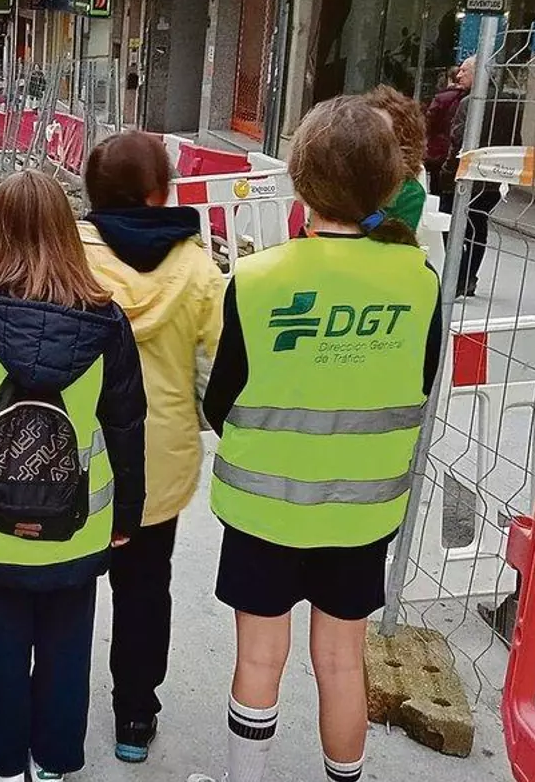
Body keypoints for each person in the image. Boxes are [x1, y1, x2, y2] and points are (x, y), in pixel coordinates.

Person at [189, 97, 442, 782]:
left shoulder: (258, 279)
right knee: (341, 661)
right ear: (389, 181)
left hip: (264, 507)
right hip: (362, 511)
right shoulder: (418, 281)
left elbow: (220, 399)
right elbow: (418, 384)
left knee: (259, 657)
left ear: (299, 179)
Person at [0, 170, 148, 782]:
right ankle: (53, 761)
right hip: (80, 524)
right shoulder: (107, 322)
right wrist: (127, 515)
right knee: (68, 647)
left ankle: (3, 761)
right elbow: (127, 428)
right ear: (67, 234)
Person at [77, 132, 225, 763]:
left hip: (77, 454)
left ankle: (52, 710)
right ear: (161, 192)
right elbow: (218, 368)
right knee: (144, 589)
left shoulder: (70, 257)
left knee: (68, 588)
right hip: (159, 460)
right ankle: (135, 717)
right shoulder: (198, 268)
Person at [424, 56, 504, 296]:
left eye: (464, 71)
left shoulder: (469, 104)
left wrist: (447, 174)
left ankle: (455, 277)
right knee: (478, 225)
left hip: (465, 177)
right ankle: (469, 277)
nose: (458, 75)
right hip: (495, 178)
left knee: (451, 224)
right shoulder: (508, 103)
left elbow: (457, 142)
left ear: (480, 73)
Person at [363, 85, 429, 233]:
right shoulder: (342, 170)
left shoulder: (409, 192)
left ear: (400, 138)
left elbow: (394, 237)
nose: (368, 134)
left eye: (379, 128)